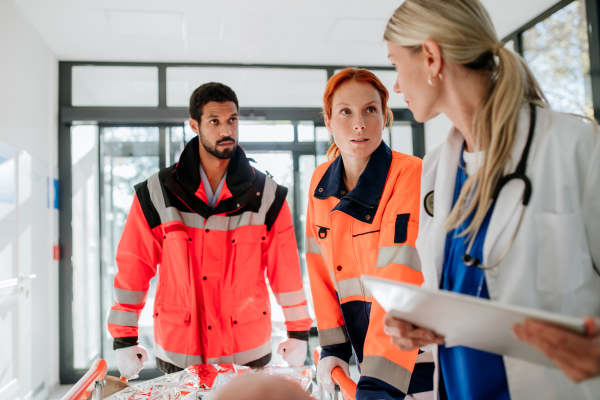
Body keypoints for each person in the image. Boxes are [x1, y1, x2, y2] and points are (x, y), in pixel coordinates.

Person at [381, 0, 600, 399]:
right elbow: (462, 298)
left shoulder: (576, 148)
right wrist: (418, 325)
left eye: (395, 64)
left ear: (430, 57)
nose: (396, 86)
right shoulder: (434, 170)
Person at [107, 82, 312, 378]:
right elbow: (133, 267)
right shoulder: (158, 192)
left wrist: (299, 332)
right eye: (214, 121)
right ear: (195, 124)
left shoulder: (267, 195)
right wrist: (124, 338)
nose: (226, 130)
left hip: (246, 349)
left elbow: (287, 273)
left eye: (232, 120)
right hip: (182, 349)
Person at [305, 68, 434, 400]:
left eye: (370, 110)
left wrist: (378, 384)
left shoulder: (410, 174)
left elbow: (400, 276)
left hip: (412, 357)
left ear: (384, 117)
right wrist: (333, 346)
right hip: (366, 361)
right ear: (329, 120)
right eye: (346, 111)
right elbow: (320, 270)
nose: (359, 123)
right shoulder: (321, 184)